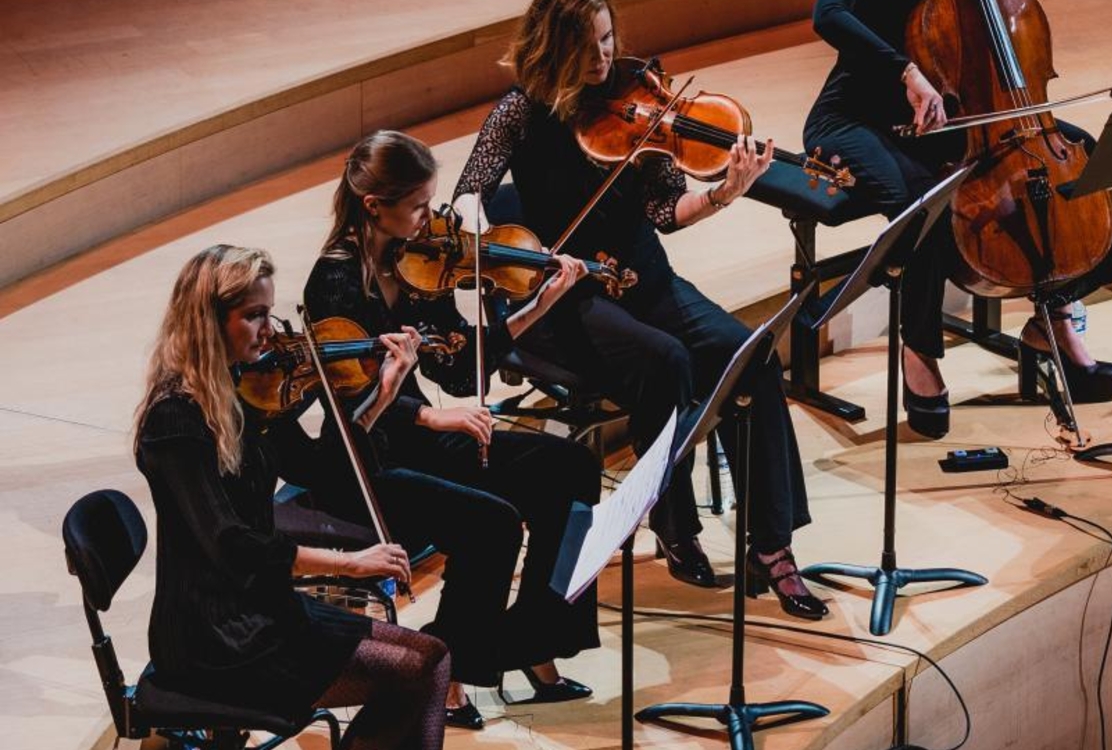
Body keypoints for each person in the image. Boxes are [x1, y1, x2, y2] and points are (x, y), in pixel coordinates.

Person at [451, 0, 828, 622]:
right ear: (556, 47)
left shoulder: (637, 103)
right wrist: (476, 218)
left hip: (645, 280)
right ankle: (672, 524)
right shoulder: (520, 111)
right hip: (569, 296)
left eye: (608, 39)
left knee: (751, 355)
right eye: (589, 46)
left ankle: (772, 547)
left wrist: (723, 194)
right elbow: (472, 187)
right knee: (665, 359)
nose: (604, 56)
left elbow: (663, 213)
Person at [303, 130, 601, 730]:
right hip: (369, 457)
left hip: (421, 438)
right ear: (374, 208)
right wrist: (428, 413)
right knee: (490, 520)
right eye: (418, 207)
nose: (430, 220)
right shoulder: (333, 283)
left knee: (572, 468)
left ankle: (535, 638)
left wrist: (537, 304)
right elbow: (349, 397)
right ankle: (452, 668)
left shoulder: (420, 267)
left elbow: (463, 371)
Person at [134, 244, 450, 750]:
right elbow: (230, 544)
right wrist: (348, 564)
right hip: (216, 633)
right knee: (420, 668)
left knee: (432, 658)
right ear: (207, 321)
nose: (271, 332)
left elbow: (320, 470)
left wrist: (380, 395)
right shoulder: (176, 418)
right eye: (253, 316)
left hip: (264, 608)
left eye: (270, 313)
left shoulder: (243, 392)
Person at [803, 0, 1112, 438]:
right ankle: (918, 348)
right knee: (922, 203)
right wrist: (908, 72)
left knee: (1081, 153)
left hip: (950, 114)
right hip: (858, 118)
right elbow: (828, 15)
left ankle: (1055, 321)